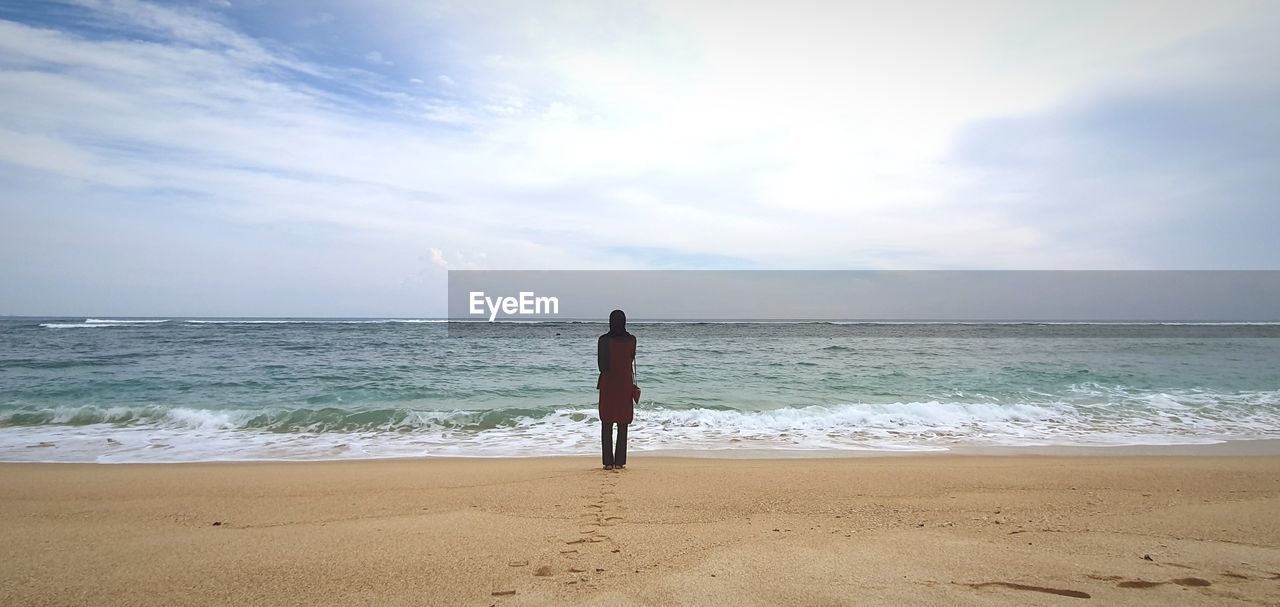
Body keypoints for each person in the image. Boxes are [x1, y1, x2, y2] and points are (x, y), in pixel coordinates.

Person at [597, 309, 636, 470]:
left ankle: (608, 462)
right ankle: (619, 462)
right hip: (625, 384)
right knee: (623, 421)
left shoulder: (603, 340)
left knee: (606, 421)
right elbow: (631, 358)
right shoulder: (632, 340)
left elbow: (602, 365)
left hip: (608, 384)